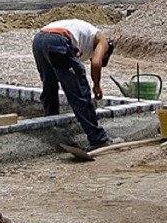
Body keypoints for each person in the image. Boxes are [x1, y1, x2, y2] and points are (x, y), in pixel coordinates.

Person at [32, 18, 115, 150]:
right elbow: (96, 63)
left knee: (50, 86)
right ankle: (98, 139)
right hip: (58, 40)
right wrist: (97, 86)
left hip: (39, 39)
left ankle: (52, 130)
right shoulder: (102, 41)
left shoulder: (85, 34)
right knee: (80, 93)